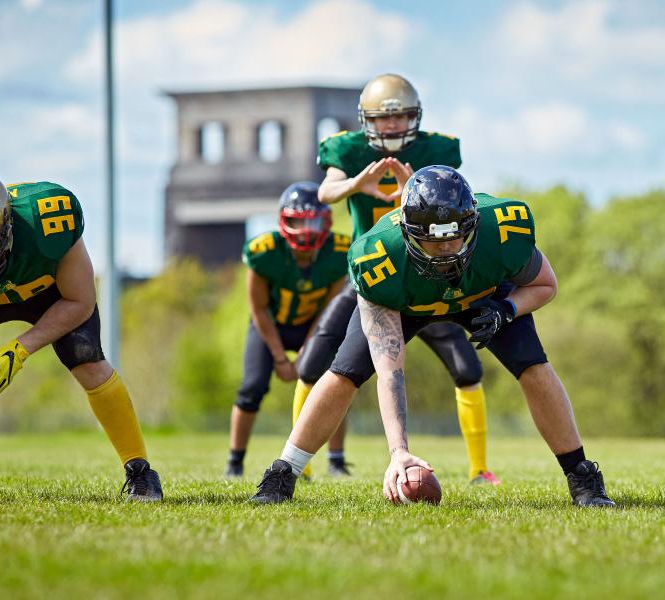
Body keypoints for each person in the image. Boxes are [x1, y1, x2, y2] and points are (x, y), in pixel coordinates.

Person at [250, 166, 615, 507]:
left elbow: (546, 284)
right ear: (408, 232)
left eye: (455, 237)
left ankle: (581, 476)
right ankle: (283, 473)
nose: (445, 250)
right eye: (433, 241)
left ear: (472, 224)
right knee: (345, 372)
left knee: (533, 365)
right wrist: (399, 452)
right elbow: (390, 369)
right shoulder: (380, 258)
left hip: (483, 293)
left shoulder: (502, 231)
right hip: (406, 300)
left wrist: (508, 310)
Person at [294, 73, 499, 484]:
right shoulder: (348, 149)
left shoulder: (435, 149)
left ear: (416, 117)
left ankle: (479, 468)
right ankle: (303, 467)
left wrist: (414, 193)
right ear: (365, 120)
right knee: (314, 364)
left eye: (402, 116)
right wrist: (357, 183)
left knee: (467, 368)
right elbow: (325, 193)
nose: (391, 126)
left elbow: (456, 192)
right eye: (382, 118)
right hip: (371, 276)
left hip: (431, 274)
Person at [0, 169, 161, 502]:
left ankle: (141, 473)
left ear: (6, 225)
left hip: (48, 292)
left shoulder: (47, 218)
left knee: (87, 360)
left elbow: (81, 301)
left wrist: (20, 349)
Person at [225, 182, 348, 477]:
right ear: (283, 221)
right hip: (271, 326)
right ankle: (235, 462)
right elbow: (258, 310)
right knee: (251, 388)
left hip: (314, 325)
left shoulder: (339, 251)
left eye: (314, 221)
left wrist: (308, 349)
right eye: (297, 222)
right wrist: (280, 358)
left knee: (338, 382)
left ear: (326, 222)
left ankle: (337, 461)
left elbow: (328, 312)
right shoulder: (264, 251)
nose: (306, 230)